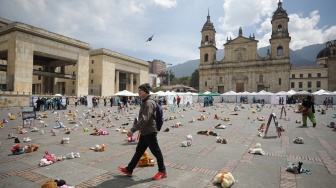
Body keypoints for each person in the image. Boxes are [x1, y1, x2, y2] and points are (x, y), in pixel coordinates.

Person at [118, 83, 167, 180]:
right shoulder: (145, 101)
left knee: (156, 152)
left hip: (149, 131)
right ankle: (129, 169)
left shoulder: (149, 102)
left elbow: (145, 119)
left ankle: (162, 171)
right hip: (145, 131)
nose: (138, 92)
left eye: (140, 90)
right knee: (139, 151)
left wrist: (133, 130)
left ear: (146, 91)